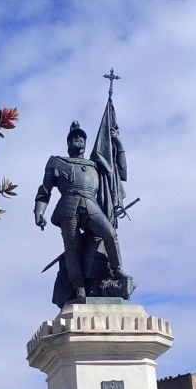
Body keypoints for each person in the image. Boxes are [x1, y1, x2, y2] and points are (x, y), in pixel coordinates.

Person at [34, 121, 125, 302]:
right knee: (72, 249)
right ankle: (79, 288)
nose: (78, 139)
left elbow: (117, 170)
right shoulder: (56, 162)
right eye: (74, 137)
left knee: (109, 234)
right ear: (68, 142)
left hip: (91, 204)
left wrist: (117, 143)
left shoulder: (96, 165)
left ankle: (116, 270)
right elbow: (44, 191)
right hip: (68, 204)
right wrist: (39, 212)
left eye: (81, 137)